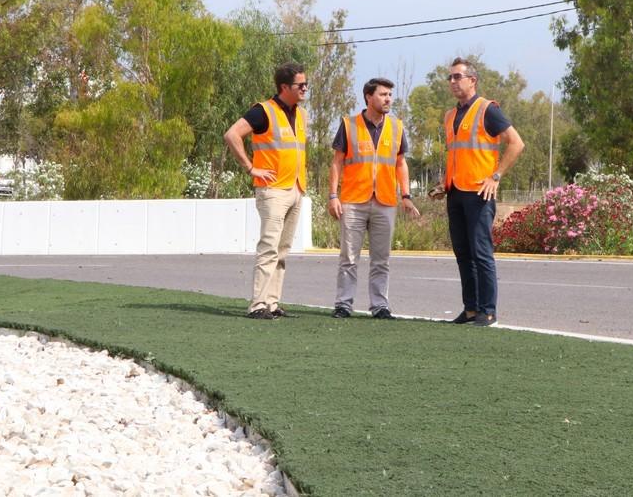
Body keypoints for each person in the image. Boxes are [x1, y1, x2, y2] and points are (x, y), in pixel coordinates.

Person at [436, 57, 524, 327]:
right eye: (450, 77)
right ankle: (471, 309)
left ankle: (488, 310)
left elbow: (517, 143)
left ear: (472, 80)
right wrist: (443, 183)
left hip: (479, 193)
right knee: (462, 252)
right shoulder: (450, 116)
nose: (452, 82)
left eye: (457, 77)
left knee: (481, 252)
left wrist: (495, 176)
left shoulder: (488, 110)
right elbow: (457, 155)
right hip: (455, 192)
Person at [327, 78, 420, 320]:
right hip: (352, 201)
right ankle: (343, 304)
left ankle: (380, 305)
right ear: (368, 97)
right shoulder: (348, 125)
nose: (388, 99)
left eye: (390, 94)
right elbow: (337, 161)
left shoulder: (397, 127)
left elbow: (400, 163)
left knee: (382, 259)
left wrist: (406, 195)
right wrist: (333, 196)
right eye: (383, 94)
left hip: (385, 202)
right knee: (348, 257)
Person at [224, 62, 308, 320]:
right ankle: (258, 304)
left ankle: (272, 303)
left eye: (306, 84)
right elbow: (232, 135)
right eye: (300, 85)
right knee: (269, 248)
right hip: (273, 190)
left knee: (282, 250)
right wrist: (251, 168)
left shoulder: (300, 114)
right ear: (285, 87)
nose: (305, 89)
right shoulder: (263, 111)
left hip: (295, 188)